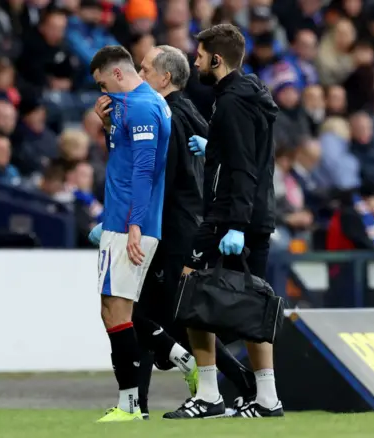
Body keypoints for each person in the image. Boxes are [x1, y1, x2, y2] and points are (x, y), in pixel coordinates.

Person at [105, 45, 257, 418]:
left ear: (164, 77)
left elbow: (160, 175)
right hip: (187, 223)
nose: (139, 75)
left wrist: (134, 220)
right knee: (158, 312)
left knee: (158, 312)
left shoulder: (166, 113)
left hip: (169, 227)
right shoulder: (190, 112)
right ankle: (154, 390)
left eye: (144, 69)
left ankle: (220, 379)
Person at [164, 24, 283, 419]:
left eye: (199, 56)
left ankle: (210, 394)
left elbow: (244, 167)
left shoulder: (231, 102)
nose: (195, 61)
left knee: (191, 290)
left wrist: (234, 223)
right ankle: (267, 399)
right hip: (256, 216)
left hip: (229, 216)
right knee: (252, 304)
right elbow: (245, 151)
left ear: (216, 59)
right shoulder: (251, 95)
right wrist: (213, 143)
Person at [86, 46, 172, 423]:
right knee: (112, 309)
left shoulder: (140, 108)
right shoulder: (137, 104)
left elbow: (144, 169)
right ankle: (132, 400)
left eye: (102, 81)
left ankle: (131, 405)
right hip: (122, 219)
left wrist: (134, 225)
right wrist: (106, 127)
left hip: (127, 223)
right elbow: (124, 157)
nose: (102, 90)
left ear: (116, 74)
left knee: (117, 311)